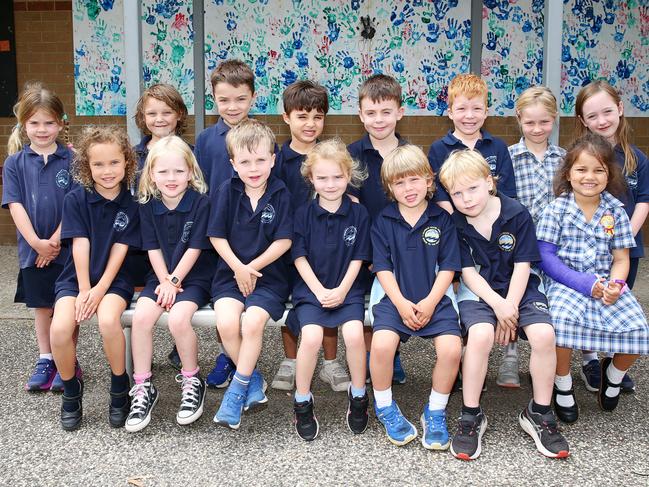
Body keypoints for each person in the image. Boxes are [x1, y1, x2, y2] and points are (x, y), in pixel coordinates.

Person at [439, 149, 569, 460]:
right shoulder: (454, 223)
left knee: (543, 336)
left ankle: (539, 412)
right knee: (481, 336)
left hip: (519, 288)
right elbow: (468, 274)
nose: (466, 198)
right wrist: (499, 307)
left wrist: (510, 307)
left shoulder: (516, 213)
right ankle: (471, 415)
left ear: (489, 182)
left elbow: (524, 265)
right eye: (457, 193)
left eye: (472, 188)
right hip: (481, 292)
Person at [536, 133, 649, 424]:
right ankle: (562, 383)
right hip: (566, 283)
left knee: (638, 328)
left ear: (609, 174)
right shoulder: (556, 209)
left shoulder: (617, 212)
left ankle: (612, 375)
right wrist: (583, 284)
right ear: (568, 174)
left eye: (598, 170)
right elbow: (547, 258)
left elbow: (621, 259)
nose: (590, 176)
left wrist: (617, 285)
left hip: (605, 282)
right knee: (559, 323)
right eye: (582, 169)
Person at [370, 145, 462, 450]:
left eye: (413, 180)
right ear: (389, 187)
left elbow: (449, 266)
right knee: (381, 346)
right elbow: (382, 267)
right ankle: (384, 406)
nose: (407, 189)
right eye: (399, 182)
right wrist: (399, 302)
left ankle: (435, 410)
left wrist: (431, 302)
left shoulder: (442, 219)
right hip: (395, 299)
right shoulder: (383, 220)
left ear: (428, 179)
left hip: (434, 299)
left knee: (451, 350)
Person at [50, 126, 140, 431]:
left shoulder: (133, 200)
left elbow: (120, 248)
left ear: (127, 162)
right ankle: (71, 391)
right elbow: (80, 243)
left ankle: (119, 386)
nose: (106, 171)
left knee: (107, 322)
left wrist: (100, 290)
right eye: (98, 164)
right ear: (86, 166)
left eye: (114, 162)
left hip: (114, 280)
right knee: (60, 329)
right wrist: (85, 288)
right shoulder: (76, 199)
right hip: (77, 278)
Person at [124, 136, 214, 432]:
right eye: (163, 172)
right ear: (151, 175)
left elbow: (196, 248)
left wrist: (174, 282)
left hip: (195, 278)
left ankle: (192, 379)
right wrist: (164, 280)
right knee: (141, 319)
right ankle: (143, 386)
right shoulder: (147, 205)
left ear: (191, 171)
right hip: (161, 277)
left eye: (178, 171)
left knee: (177, 320)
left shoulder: (201, 203)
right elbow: (152, 248)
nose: (171, 178)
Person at [209, 120, 292, 430]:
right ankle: (252, 378)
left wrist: (253, 267)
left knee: (252, 321)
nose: (253, 167)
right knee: (227, 323)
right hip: (230, 272)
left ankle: (235, 392)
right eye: (245, 161)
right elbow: (216, 236)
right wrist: (239, 268)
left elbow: (284, 240)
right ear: (233, 163)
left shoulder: (281, 193)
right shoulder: (225, 191)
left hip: (269, 276)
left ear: (273, 158)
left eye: (261, 159)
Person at [271, 80, 349, 393]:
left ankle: (330, 363)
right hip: (285, 247)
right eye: (302, 116)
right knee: (292, 303)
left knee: (326, 298)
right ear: (287, 117)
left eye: (318, 117)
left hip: (323, 250)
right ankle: (290, 360)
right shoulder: (276, 160)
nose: (310, 124)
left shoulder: (330, 158)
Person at [290, 139, 370, 441]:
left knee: (352, 334)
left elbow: (359, 257)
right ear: (311, 179)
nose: (331, 183)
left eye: (337, 177)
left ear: (348, 177)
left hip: (346, 288)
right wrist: (319, 290)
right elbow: (298, 256)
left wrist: (340, 290)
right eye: (322, 178)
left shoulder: (359, 214)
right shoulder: (303, 213)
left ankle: (359, 395)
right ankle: (302, 400)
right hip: (311, 289)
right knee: (310, 337)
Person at [573, 80, 648, 393]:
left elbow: (643, 201)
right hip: (585, 249)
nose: (601, 120)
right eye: (592, 115)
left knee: (616, 301)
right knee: (587, 302)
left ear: (619, 109)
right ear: (582, 121)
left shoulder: (636, 159)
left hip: (625, 250)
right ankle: (589, 359)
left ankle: (612, 364)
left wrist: (623, 238)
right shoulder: (580, 157)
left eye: (607, 111)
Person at [2, 82, 76, 392]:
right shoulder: (15, 163)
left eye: (49, 122)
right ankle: (46, 358)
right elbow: (15, 205)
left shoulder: (72, 160)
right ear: (24, 124)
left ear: (61, 123)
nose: (42, 129)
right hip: (31, 251)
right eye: (34, 123)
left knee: (65, 307)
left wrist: (55, 241)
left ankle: (67, 361)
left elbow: (74, 203)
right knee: (42, 307)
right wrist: (36, 243)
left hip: (68, 248)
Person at [194, 59, 257, 388]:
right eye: (224, 100)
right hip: (218, 235)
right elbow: (201, 187)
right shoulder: (205, 140)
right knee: (226, 300)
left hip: (252, 234)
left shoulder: (260, 137)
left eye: (240, 99)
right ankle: (227, 355)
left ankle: (245, 357)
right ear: (214, 99)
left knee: (250, 299)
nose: (232, 107)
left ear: (253, 98)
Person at [500, 86, 565, 388]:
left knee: (551, 301)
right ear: (519, 120)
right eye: (530, 123)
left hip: (554, 246)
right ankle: (509, 355)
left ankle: (566, 359)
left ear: (554, 119)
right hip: (517, 245)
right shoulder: (508, 157)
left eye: (544, 122)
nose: (537, 129)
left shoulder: (565, 160)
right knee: (514, 293)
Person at [348, 73, 408, 384]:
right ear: (360, 115)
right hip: (362, 251)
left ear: (400, 112)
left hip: (402, 252)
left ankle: (391, 353)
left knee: (397, 297)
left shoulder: (411, 156)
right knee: (365, 303)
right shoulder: (352, 155)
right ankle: (375, 356)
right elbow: (352, 211)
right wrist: (370, 253)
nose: (379, 120)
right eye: (370, 113)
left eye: (386, 112)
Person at [131, 85, 191, 369]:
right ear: (143, 117)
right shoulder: (134, 156)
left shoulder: (190, 153)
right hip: (144, 245)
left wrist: (172, 278)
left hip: (182, 248)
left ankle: (181, 350)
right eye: (152, 113)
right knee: (145, 308)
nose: (160, 119)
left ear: (179, 114)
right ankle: (141, 367)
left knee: (177, 304)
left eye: (167, 112)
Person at [427, 73, 517, 213]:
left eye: (477, 108)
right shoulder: (438, 149)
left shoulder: (499, 147)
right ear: (450, 113)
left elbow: (507, 192)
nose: (469, 116)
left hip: (493, 221)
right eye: (462, 109)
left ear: (486, 112)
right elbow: (439, 195)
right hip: (454, 225)